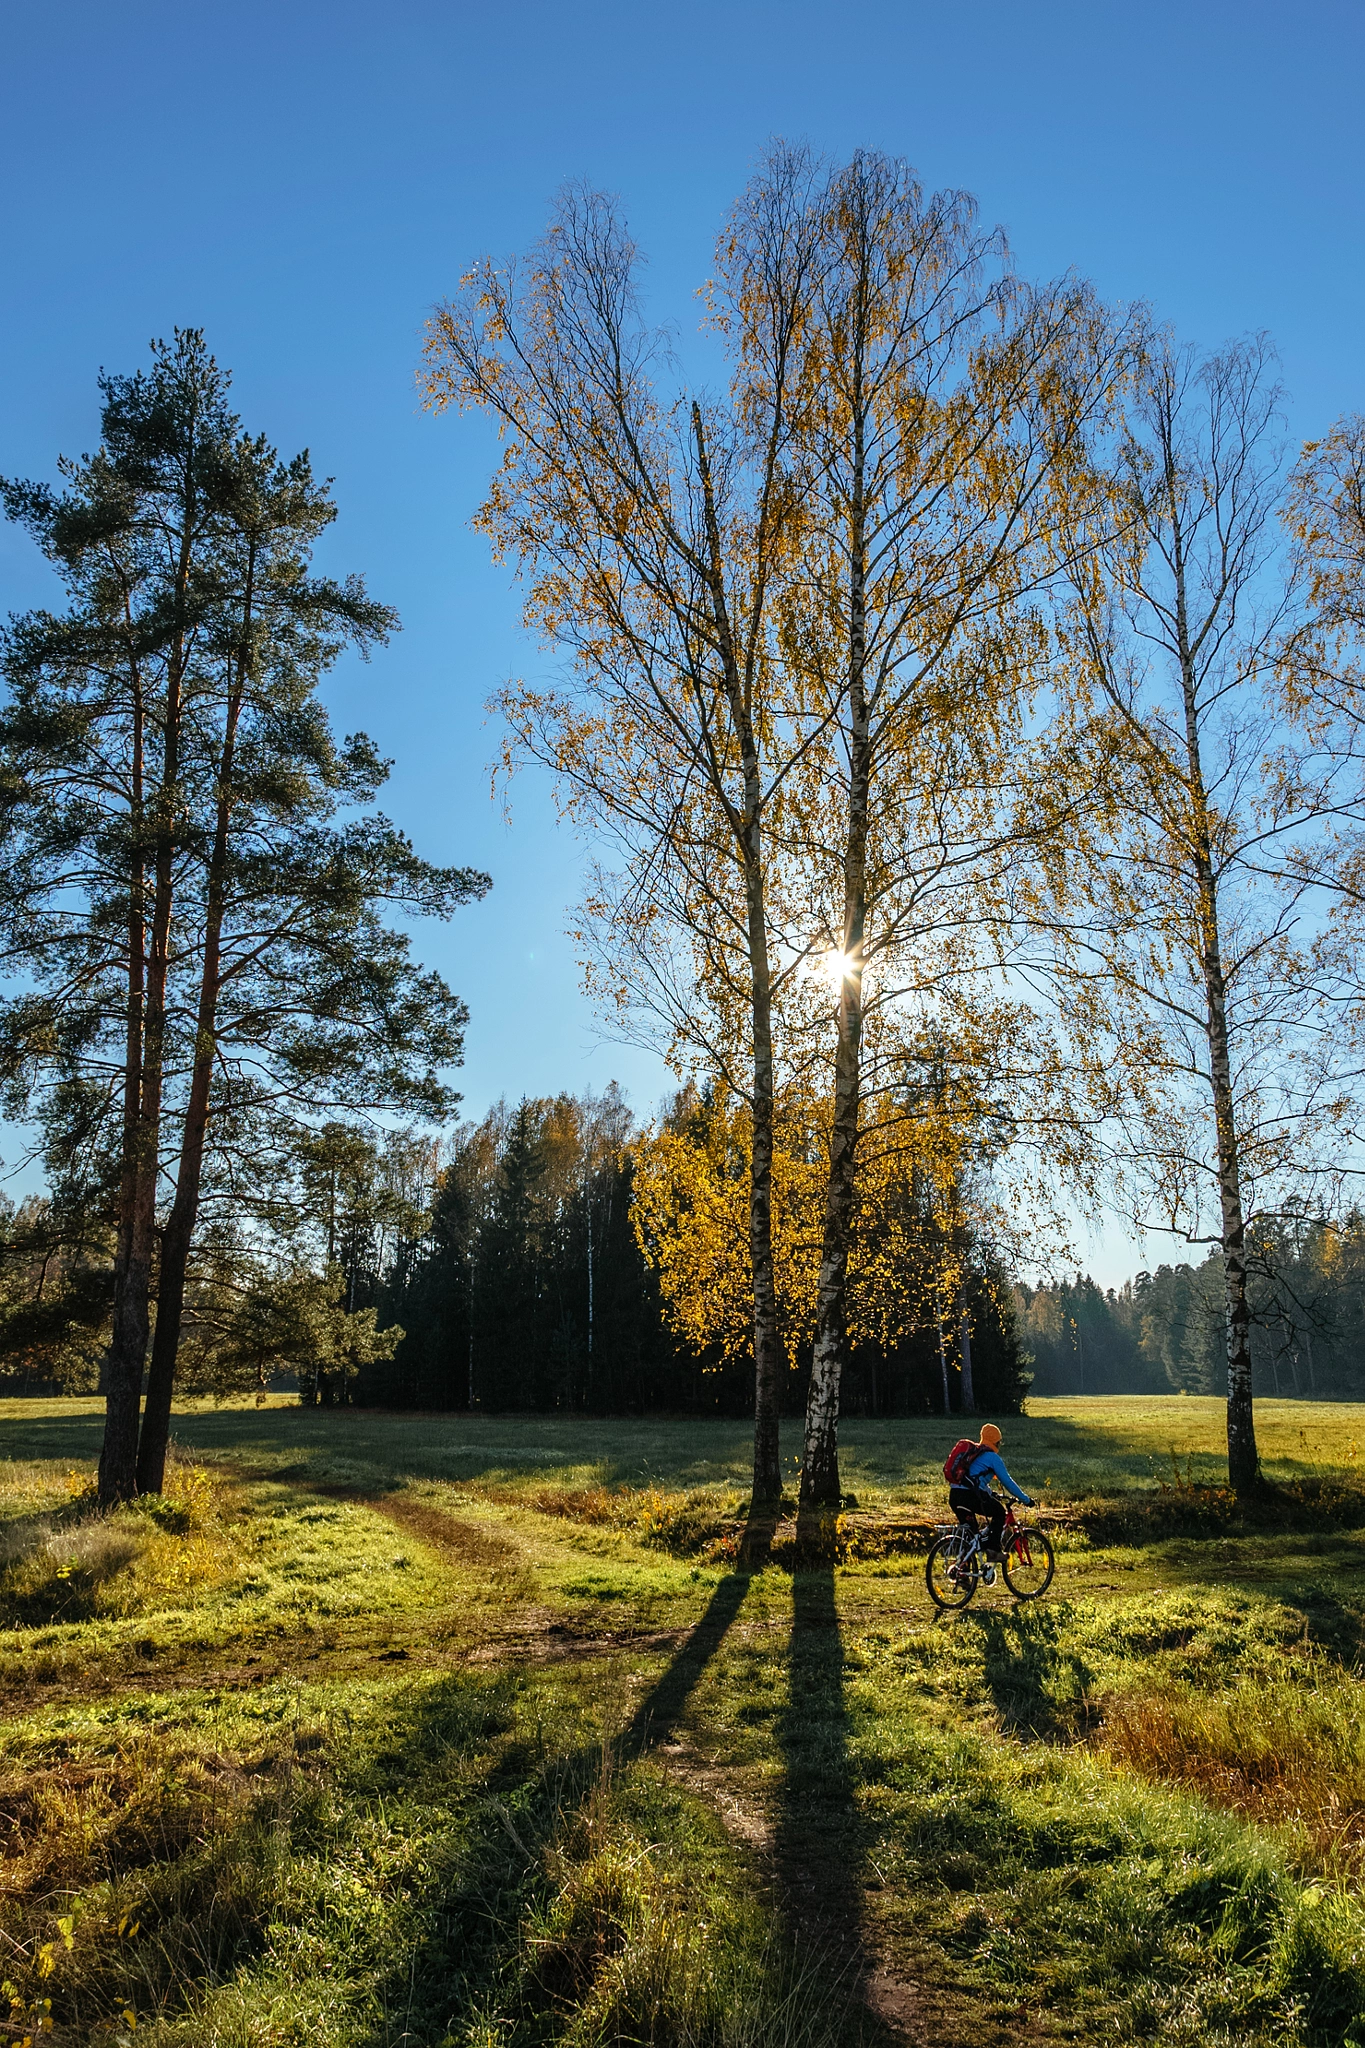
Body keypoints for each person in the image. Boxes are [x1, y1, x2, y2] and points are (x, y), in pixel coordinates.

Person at [947, 1423, 1034, 1562]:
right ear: (997, 1442)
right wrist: (1026, 1499)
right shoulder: (992, 1458)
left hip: (955, 1496)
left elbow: (975, 1480)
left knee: (971, 1537)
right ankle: (993, 1551)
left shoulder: (974, 1454)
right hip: (970, 1497)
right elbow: (1008, 1482)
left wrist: (990, 1493)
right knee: (999, 1512)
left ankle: (963, 1575)